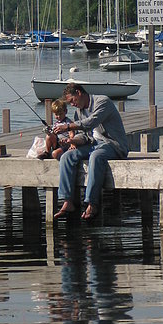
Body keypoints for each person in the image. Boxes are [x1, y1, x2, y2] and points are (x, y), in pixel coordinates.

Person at [53, 82, 129, 221]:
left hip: (113, 145)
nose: (72, 105)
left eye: (72, 100)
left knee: (95, 156)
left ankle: (91, 203)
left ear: (79, 93)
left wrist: (67, 127)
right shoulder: (78, 112)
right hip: (93, 144)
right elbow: (84, 136)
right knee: (67, 156)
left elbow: (91, 122)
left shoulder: (102, 102)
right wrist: (72, 141)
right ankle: (67, 201)